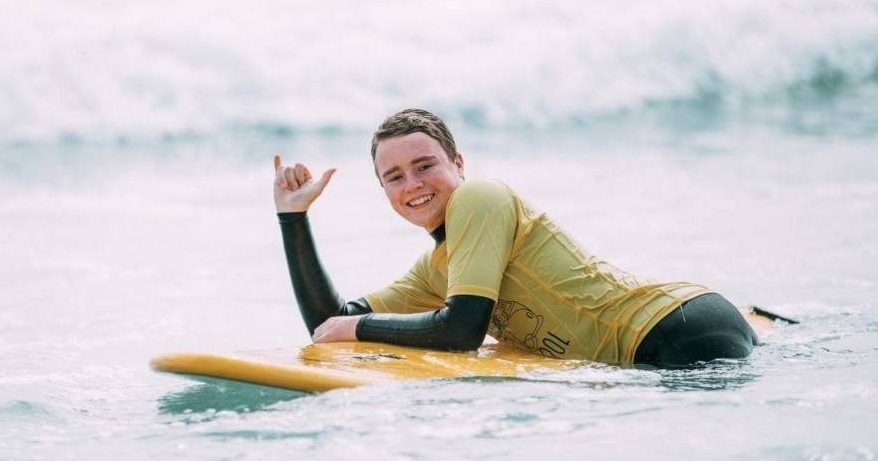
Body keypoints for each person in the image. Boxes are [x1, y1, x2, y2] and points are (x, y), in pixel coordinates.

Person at [273, 108, 761, 368]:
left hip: (673, 329)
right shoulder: (436, 271)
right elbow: (329, 326)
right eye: (395, 176)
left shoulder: (479, 198)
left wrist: (360, 330)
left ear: (458, 165)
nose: (413, 184)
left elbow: (461, 331)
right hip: (651, 349)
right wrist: (293, 219)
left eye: (425, 166)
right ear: (384, 191)